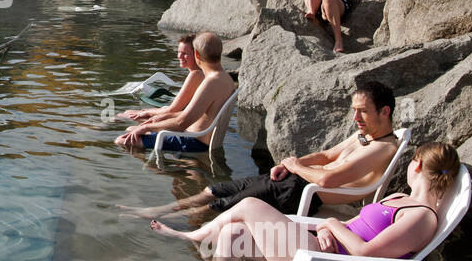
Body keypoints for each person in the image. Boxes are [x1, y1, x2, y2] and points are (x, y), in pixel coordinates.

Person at [150, 142, 458, 261]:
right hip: (323, 248)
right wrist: (327, 229)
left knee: (248, 207)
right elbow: (356, 226)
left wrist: (330, 224)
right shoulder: (399, 198)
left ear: (415, 165)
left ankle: (191, 235)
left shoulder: (421, 218)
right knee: (234, 235)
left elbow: (365, 252)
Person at [123, 80, 399, 219]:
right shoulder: (365, 136)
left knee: (225, 206)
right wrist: (289, 163)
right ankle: (159, 210)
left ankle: (165, 223)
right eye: (354, 111)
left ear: (384, 112)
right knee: (214, 190)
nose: (356, 118)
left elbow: (328, 179)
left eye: (362, 112)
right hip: (294, 180)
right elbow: (327, 157)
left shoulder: (382, 148)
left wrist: (294, 166)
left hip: (301, 193)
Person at [114, 32, 235, 152]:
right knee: (132, 129)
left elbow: (181, 123)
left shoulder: (211, 82)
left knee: (121, 140)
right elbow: (192, 115)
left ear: (197, 54)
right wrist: (156, 121)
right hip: (197, 137)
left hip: (192, 142)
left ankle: (160, 168)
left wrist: (147, 127)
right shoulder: (226, 79)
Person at [117, 34, 203, 123]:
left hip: (183, 121)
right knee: (130, 113)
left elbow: (173, 110)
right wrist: (150, 112)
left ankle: (105, 130)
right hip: (182, 117)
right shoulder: (200, 73)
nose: (179, 56)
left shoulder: (195, 75)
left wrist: (148, 112)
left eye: (185, 53)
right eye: (179, 52)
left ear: (196, 54)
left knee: (124, 115)